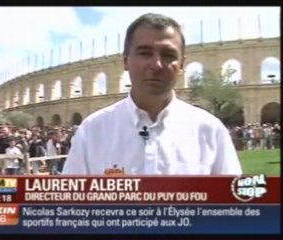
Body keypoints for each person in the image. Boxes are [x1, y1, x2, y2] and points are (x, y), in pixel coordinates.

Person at [62, 13, 242, 175]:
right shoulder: (93, 130)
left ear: (181, 65)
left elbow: (234, 204)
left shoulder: (210, 130)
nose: (156, 64)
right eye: (145, 53)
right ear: (126, 61)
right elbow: (71, 206)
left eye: (168, 55)